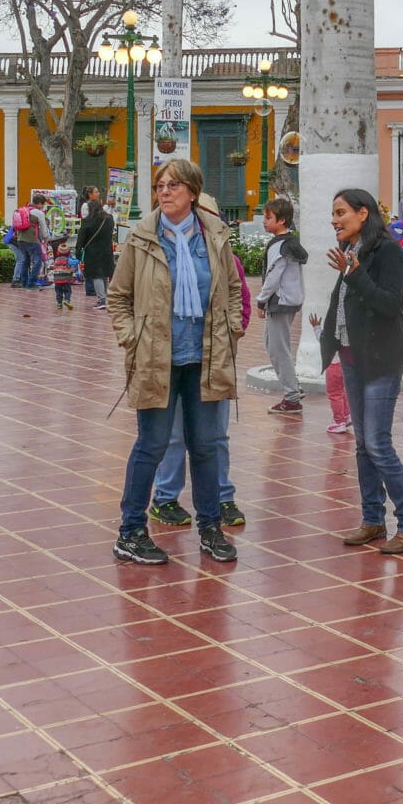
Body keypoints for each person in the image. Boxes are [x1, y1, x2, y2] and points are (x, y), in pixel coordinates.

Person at [108, 158, 245, 565]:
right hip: (155, 358)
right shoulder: (141, 237)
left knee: (204, 446)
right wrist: (131, 338)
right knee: (151, 446)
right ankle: (130, 532)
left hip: (204, 356)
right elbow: (118, 296)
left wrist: (231, 328)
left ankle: (210, 528)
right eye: (160, 185)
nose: (164, 192)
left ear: (192, 192)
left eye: (173, 185)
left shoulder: (215, 235)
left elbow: (234, 288)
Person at [321, 187, 403, 553]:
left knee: (379, 444)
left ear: (363, 213)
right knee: (363, 445)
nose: (334, 220)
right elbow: (347, 303)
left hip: (381, 360)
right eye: (333, 214)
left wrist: (356, 274)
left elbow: (388, 304)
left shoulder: (388, 252)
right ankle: (372, 520)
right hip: (352, 359)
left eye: (340, 212)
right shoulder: (351, 251)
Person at [149, 195, 250, 530]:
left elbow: (240, 298)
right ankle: (165, 498)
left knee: (214, 436)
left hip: (213, 357)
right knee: (174, 434)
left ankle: (222, 496)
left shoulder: (224, 256)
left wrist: (233, 331)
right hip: (170, 356)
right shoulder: (158, 249)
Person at [258, 197, 307, 416]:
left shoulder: (278, 246)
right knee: (272, 345)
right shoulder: (289, 243)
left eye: (268, 217)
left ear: (282, 220)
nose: (264, 221)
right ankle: (293, 387)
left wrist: (261, 299)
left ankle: (292, 398)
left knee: (279, 350)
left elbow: (273, 275)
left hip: (280, 302)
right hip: (289, 301)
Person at [77, 194, 117, 310]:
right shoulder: (109, 219)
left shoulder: (88, 221)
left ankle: (101, 299)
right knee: (104, 273)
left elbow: (81, 238)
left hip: (93, 252)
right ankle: (105, 297)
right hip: (107, 250)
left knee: (96, 275)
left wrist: (78, 251)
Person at [11, 194, 47, 290]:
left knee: (25, 261)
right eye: (42, 205)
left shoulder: (23, 209)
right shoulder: (38, 213)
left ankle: (24, 283)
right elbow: (44, 229)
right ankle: (31, 284)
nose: (43, 207)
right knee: (37, 261)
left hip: (20, 240)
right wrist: (45, 239)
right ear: (39, 203)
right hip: (32, 240)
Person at [47, 238, 77, 310]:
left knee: (58, 291)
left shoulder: (56, 260)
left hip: (57, 279)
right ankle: (67, 300)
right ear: (68, 252)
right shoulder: (68, 260)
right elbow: (75, 264)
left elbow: (53, 267)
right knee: (68, 290)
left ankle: (59, 303)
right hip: (66, 279)